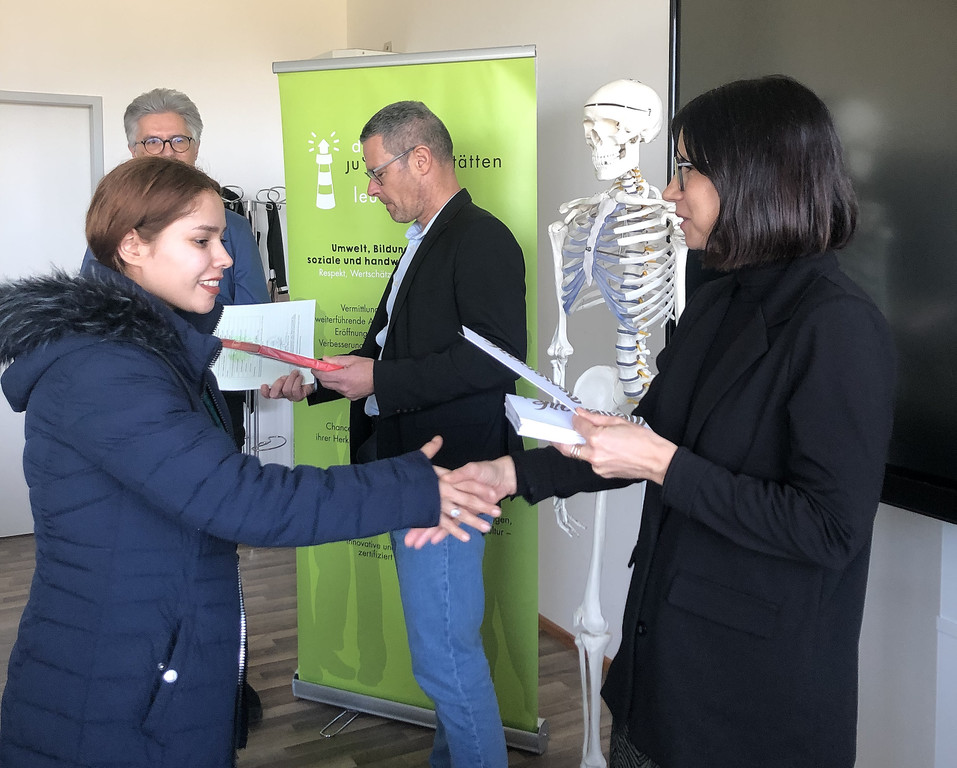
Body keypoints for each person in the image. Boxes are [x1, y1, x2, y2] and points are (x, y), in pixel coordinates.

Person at [430, 76, 896, 768]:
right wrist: (505, 474)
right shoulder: (715, 300)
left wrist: (661, 463)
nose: (670, 193)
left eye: (686, 171)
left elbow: (828, 530)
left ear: (755, 177)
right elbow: (645, 436)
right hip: (660, 666)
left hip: (751, 705)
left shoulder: (838, 327)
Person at [0, 156, 500, 768]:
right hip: (117, 678)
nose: (227, 259)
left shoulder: (150, 351)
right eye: (202, 240)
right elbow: (241, 499)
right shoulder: (105, 368)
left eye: (223, 239)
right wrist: (413, 488)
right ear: (132, 246)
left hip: (155, 651)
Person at [262, 101, 526, 767]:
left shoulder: (481, 239)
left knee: (444, 657)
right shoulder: (423, 240)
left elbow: (496, 362)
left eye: (377, 173)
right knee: (444, 653)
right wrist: (314, 381)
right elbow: (383, 352)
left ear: (422, 159)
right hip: (413, 472)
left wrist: (379, 379)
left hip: (451, 476)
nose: (371, 189)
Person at [82, 86, 269, 449]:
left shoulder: (234, 226)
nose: (166, 152)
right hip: (146, 386)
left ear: (196, 148)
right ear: (133, 152)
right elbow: (92, 313)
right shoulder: (113, 231)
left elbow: (255, 314)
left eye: (178, 141)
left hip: (217, 388)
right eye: (152, 142)